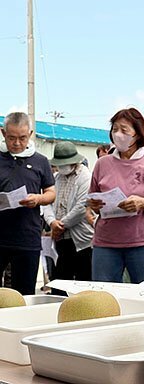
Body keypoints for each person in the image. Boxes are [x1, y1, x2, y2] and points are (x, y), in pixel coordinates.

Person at [87, 108, 144, 283]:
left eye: (124, 130)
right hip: (106, 242)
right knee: (103, 296)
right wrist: (94, 205)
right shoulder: (103, 163)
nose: (118, 134)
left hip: (142, 242)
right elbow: (91, 200)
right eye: (115, 129)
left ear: (138, 134)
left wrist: (142, 203)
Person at [0, 112, 56, 295]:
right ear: (3, 133)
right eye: (12, 138)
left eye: (22, 138)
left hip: (27, 236)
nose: (17, 143)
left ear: (30, 134)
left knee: (24, 293)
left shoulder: (40, 161)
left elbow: (51, 193)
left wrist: (38, 199)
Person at [43, 141, 93, 290]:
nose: (62, 166)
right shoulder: (56, 178)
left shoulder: (86, 177)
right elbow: (47, 201)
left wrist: (61, 225)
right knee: (60, 281)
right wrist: (52, 222)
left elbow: (81, 207)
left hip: (81, 239)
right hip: (61, 238)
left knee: (84, 280)